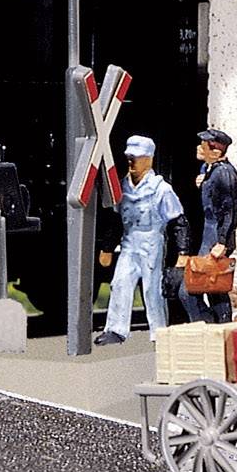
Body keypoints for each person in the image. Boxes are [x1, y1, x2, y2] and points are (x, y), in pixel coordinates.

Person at [95, 135, 185, 346]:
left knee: (152, 289)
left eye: (136, 157)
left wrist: (183, 253)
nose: (131, 162)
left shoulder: (161, 189)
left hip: (151, 244)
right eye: (129, 157)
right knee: (120, 283)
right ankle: (116, 329)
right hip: (129, 244)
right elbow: (116, 220)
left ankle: (158, 331)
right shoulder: (122, 188)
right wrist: (107, 247)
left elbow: (178, 222)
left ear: (148, 159)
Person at [180, 128, 237, 324]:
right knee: (214, 286)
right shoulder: (211, 169)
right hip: (209, 230)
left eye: (204, 146)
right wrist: (204, 180)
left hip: (215, 234)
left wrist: (222, 241)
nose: (199, 148)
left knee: (191, 287)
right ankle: (219, 327)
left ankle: (206, 324)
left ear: (215, 152)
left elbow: (232, 209)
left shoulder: (224, 173)